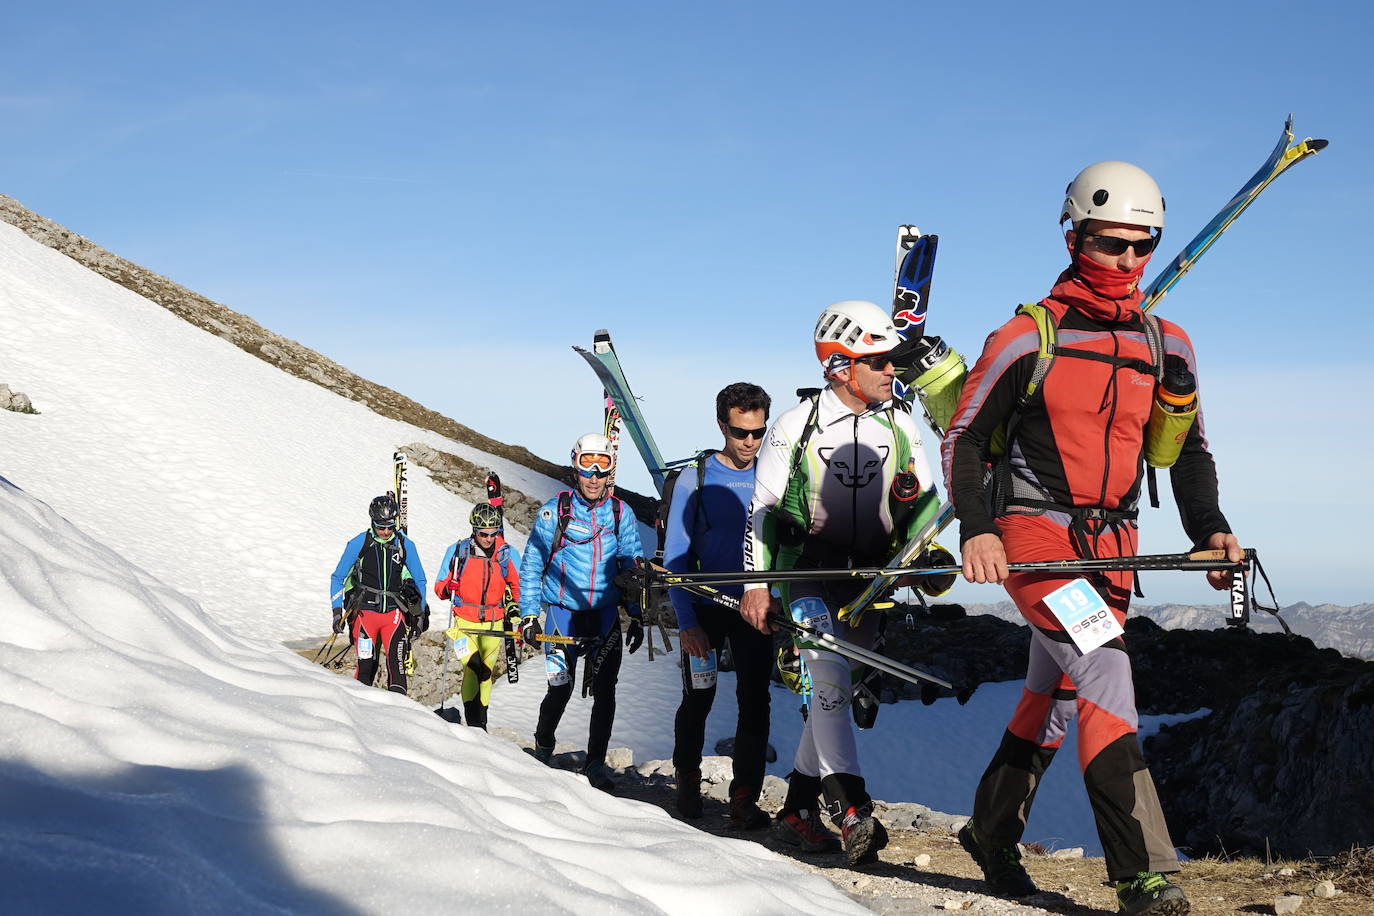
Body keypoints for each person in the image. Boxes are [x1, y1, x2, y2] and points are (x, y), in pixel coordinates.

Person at [943, 161, 1242, 916]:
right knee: (1107, 669)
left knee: (1060, 691)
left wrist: (1209, 530)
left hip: (1114, 550)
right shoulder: (1025, 337)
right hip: (1034, 535)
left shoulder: (1167, 344)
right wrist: (979, 531)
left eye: (1144, 247)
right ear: (1075, 236)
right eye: (1112, 245)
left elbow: (1188, 450)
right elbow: (965, 439)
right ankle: (1142, 874)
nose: (1130, 262)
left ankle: (989, 832)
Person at [739, 300, 938, 866]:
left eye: (891, 360)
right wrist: (756, 585)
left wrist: (923, 546)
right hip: (805, 573)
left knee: (835, 693)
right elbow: (765, 506)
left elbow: (925, 504)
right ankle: (851, 808)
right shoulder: (795, 425)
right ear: (839, 366)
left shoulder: (900, 422)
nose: (891, 370)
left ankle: (797, 811)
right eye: (877, 360)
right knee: (825, 674)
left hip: (870, 581)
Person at [665, 382, 774, 828]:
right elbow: (675, 555)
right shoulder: (696, 477)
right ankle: (687, 779)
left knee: (756, 702)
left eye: (759, 432)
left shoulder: (773, 472)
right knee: (699, 698)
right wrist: (686, 622)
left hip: (758, 606)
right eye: (739, 432)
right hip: (706, 605)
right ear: (720, 425)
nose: (750, 442)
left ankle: (744, 797)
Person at [518, 433, 645, 793]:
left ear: (610, 472)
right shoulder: (553, 511)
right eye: (587, 465)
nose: (593, 475)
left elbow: (631, 569)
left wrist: (636, 614)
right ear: (575, 466)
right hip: (562, 614)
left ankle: (595, 763)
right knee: (560, 688)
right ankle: (543, 747)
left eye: (601, 466)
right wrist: (529, 615)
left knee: (606, 691)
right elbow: (531, 565)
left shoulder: (621, 514)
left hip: (604, 616)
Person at [433, 502, 521, 730]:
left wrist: (516, 611)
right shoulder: (458, 551)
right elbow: (440, 587)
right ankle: (473, 718)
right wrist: (447, 587)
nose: (489, 538)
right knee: (473, 666)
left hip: (493, 622)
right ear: (474, 530)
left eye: (494, 533)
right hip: (464, 620)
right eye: (483, 533)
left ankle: (479, 723)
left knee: (486, 672)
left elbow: (518, 585)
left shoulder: (507, 554)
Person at [329, 495, 429, 695]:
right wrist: (337, 612)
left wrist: (420, 615)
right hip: (364, 615)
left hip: (394, 615)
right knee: (365, 671)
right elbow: (337, 577)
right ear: (372, 522)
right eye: (380, 527)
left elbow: (420, 580)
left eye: (390, 527)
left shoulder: (405, 544)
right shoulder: (359, 542)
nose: (385, 532)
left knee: (398, 673)